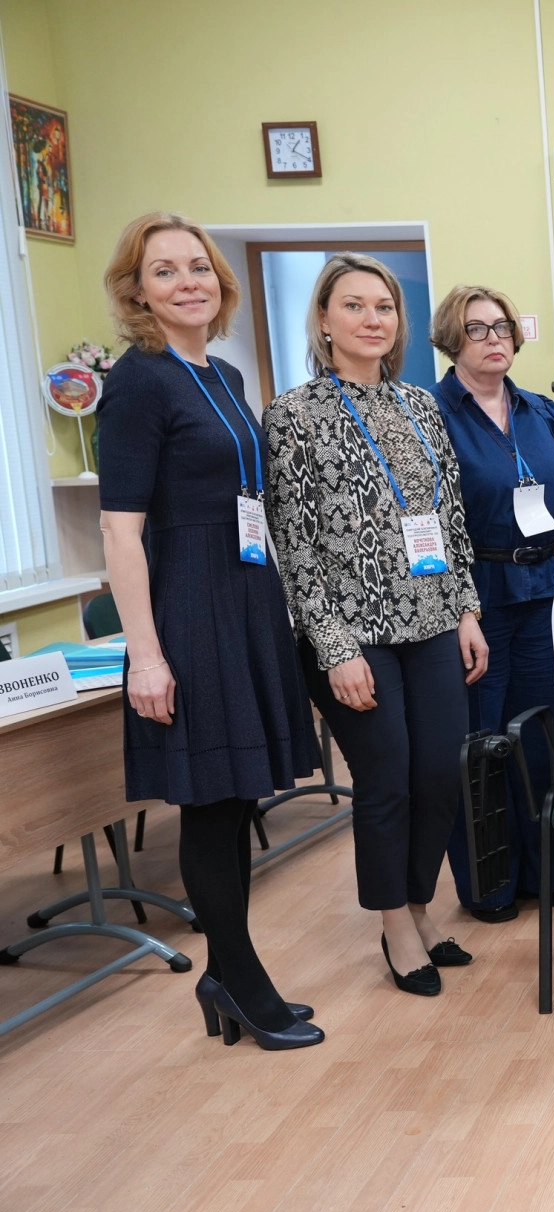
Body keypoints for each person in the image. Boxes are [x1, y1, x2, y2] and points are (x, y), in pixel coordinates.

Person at [96, 212, 323, 1051]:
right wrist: (146, 655)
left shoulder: (221, 374)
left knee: (238, 798)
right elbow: (120, 530)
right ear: (138, 291)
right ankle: (241, 981)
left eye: (198, 266)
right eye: (164, 270)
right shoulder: (138, 381)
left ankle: (227, 975)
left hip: (247, 594)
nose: (187, 281)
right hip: (190, 604)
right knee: (209, 803)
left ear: (219, 282)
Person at [264, 252, 488, 998]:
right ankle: (395, 924)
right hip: (352, 636)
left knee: (440, 773)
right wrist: (334, 649)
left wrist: (466, 610)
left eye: (384, 307)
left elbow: (448, 518)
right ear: (324, 320)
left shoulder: (421, 405)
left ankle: (420, 906)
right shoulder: (293, 415)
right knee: (387, 778)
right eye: (354, 306)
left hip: (432, 621)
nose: (371, 319)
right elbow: (293, 545)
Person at [429, 285, 554, 923]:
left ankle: (547, 873)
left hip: (544, 592)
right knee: (482, 742)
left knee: (541, 738)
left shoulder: (540, 410)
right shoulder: (432, 413)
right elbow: (430, 519)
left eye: (501, 327)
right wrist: (460, 607)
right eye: (477, 329)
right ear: (452, 339)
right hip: (478, 599)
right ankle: (489, 883)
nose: (494, 338)